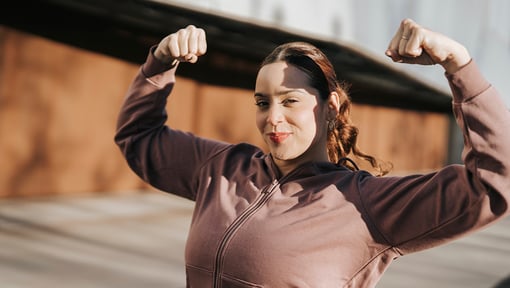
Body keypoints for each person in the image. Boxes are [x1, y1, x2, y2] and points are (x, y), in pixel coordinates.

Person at [114, 18, 510, 288]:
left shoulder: (365, 204)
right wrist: (161, 62)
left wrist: (459, 65)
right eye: (262, 102)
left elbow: (495, 184)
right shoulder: (223, 168)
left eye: (290, 101)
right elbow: (139, 137)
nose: (273, 118)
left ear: (331, 108)